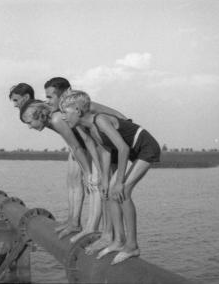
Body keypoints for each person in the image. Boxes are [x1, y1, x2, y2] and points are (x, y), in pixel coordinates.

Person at [59, 90, 161, 265]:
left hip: (146, 148)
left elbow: (123, 148)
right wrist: (105, 179)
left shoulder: (100, 120)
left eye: (65, 113)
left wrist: (120, 181)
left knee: (123, 192)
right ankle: (118, 241)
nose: (63, 118)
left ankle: (132, 246)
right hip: (133, 151)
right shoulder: (87, 127)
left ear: (77, 109)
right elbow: (106, 150)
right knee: (109, 193)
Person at [43, 77, 129, 244]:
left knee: (108, 189)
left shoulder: (83, 107)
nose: (48, 101)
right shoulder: (70, 112)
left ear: (66, 93)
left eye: (50, 97)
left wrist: (96, 172)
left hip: (119, 140)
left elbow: (106, 130)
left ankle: (112, 236)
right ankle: (107, 234)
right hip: (104, 143)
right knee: (104, 187)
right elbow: (87, 139)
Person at [19, 99, 101, 240]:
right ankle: (77, 224)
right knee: (90, 185)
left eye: (29, 122)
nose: (29, 127)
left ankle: (92, 230)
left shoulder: (56, 119)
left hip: (99, 146)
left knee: (95, 185)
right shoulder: (52, 120)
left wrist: (87, 172)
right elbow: (76, 144)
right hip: (90, 146)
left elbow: (76, 146)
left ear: (39, 115)